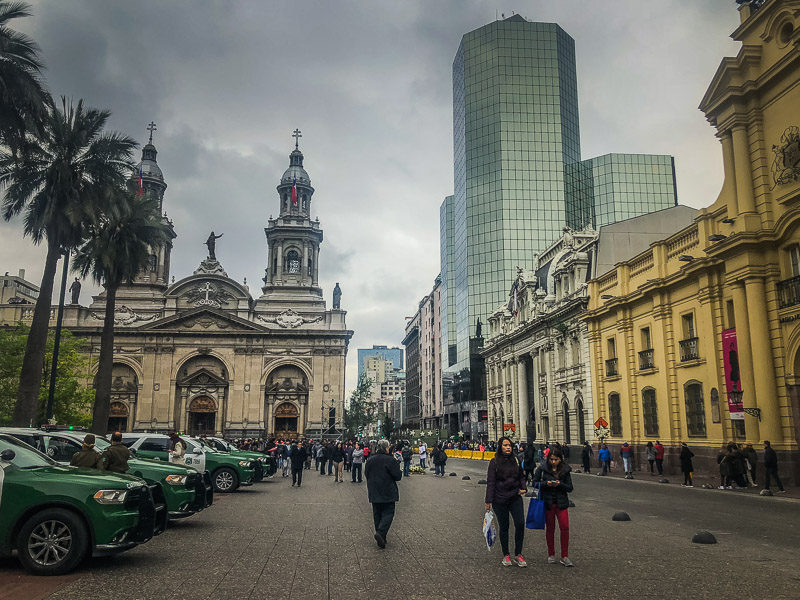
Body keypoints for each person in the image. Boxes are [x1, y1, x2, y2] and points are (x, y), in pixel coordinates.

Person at [484, 437, 527, 568]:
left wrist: (523, 487)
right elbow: (491, 482)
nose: (508, 448)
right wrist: (488, 501)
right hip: (499, 499)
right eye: (505, 445)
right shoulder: (494, 462)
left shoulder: (516, 460)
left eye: (509, 445)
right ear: (500, 447)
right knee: (504, 526)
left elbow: (521, 476)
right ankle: (506, 554)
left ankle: (518, 553)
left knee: (520, 523)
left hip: (515, 496)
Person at [534, 448, 574, 567]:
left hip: (561, 503)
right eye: (551, 459)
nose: (553, 462)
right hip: (548, 502)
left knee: (565, 528)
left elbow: (570, 487)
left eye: (556, 459)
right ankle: (551, 554)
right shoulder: (542, 469)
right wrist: (546, 484)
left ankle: (564, 555)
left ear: (560, 459)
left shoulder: (565, 470)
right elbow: (534, 483)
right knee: (550, 529)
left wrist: (559, 484)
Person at [365, 439, 402, 548]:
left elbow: (366, 473)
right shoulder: (390, 460)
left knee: (377, 513)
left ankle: (381, 536)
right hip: (387, 491)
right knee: (388, 513)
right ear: (386, 448)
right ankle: (381, 532)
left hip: (374, 490)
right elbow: (397, 476)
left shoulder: (370, 460)